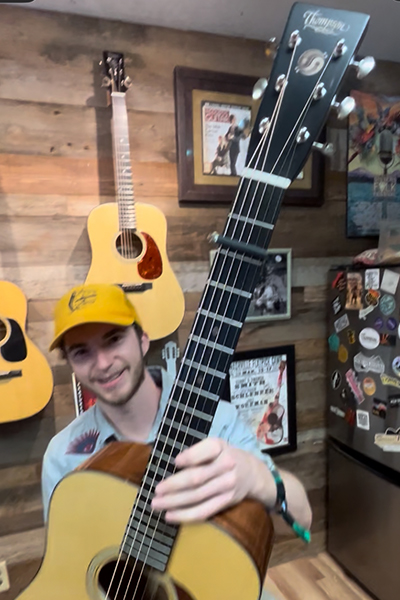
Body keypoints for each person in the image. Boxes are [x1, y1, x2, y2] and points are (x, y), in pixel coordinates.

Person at [42, 283, 312, 543]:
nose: (102, 363)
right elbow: (65, 556)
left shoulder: (217, 420)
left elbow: (302, 523)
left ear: (143, 341)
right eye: (81, 352)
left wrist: (258, 478)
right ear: (71, 365)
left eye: (114, 340)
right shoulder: (63, 456)